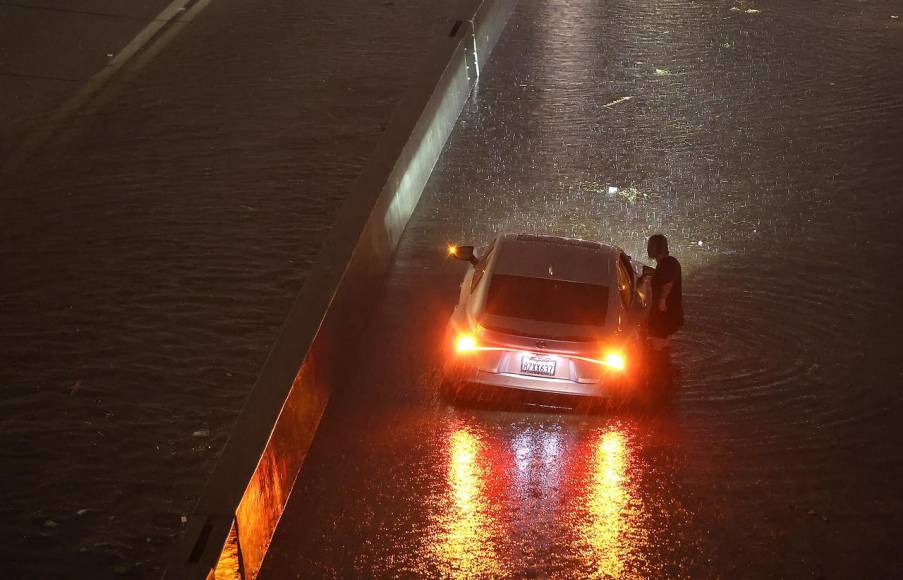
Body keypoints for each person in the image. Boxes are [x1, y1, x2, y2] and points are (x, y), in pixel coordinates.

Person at [642, 234, 683, 380]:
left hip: (665, 313)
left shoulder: (668, 263)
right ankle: (666, 371)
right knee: (662, 340)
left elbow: (668, 282)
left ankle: (658, 375)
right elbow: (664, 277)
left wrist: (662, 301)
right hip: (668, 313)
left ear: (654, 248)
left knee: (656, 341)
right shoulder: (666, 264)